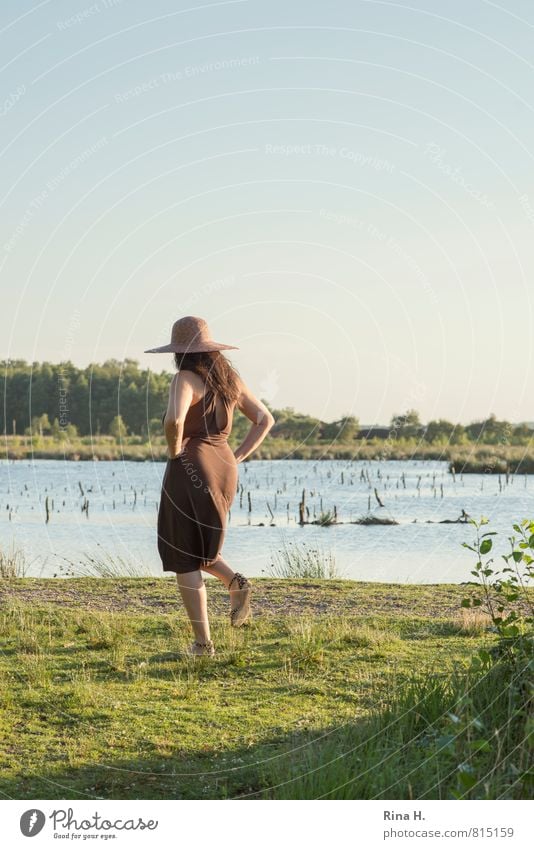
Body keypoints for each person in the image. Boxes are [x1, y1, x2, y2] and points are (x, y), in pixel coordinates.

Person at [145, 316, 275, 656]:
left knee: (184, 555)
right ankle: (235, 584)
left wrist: (175, 452)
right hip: (224, 466)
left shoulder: (183, 379)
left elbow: (174, 420)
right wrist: (238, 455)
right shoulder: (230, 381)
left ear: (178, 353)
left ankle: (203, 645)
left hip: (190, 466)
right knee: (198, 545)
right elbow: (264, 419)